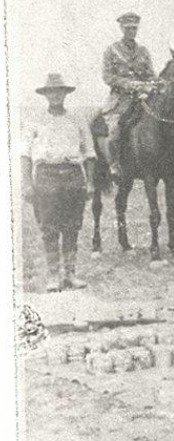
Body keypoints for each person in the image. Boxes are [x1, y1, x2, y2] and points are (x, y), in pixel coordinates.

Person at [96, 12, 174, 181]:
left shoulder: (143, 51)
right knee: (114, 129)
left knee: (169, 120)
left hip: (144, 95)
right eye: (128, 28)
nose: (131, 31)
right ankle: (115, 165)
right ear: (121, 28)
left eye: (134, 28)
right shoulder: (111, 51)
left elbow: (151, 74)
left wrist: (157, 82)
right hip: (120, 99)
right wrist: (130, 84)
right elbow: (108, 76)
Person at [21, 73, 96, 292]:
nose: (55, 95)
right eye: (51, 91)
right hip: (46, 175)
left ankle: (70, 274)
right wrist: (26, 182)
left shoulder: (77, 118)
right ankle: (54, 275)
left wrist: (90, 182)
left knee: (72, 226)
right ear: (46, 95)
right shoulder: (35, 119)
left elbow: (90, 153)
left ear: (65, 94)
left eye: (59, 91)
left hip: (73, 174)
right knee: (49, 226)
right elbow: (24, 154)